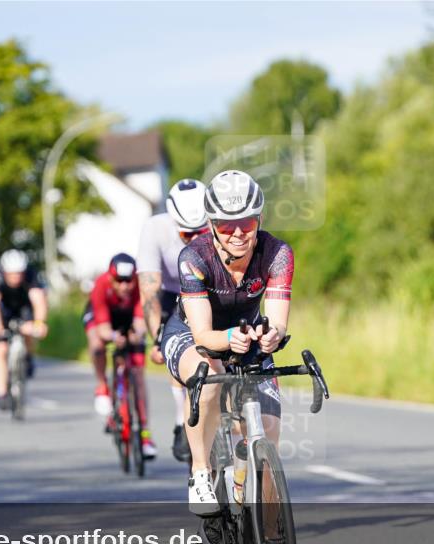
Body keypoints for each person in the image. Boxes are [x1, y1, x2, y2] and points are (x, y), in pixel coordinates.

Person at [160, 170, 293, 517]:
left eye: (247, 223)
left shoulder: (277, 253)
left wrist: (272, 334)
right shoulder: (194, 256)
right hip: (191, 332)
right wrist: (232, 339)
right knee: (207, 377)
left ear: (259, 219)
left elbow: (277, 321)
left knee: (267, 429)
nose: (237, 233)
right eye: (224, 224)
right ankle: (201, 473)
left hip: (245, 332)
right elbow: (204, 336)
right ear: (211, 224)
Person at [137, 179, 210, 462]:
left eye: (201, 232)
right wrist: (157, 338)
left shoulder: (217, 225)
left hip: (207, 287)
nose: (194, 240)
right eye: (186, 234)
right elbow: (149, 291)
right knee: (173, 344)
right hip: (170, 292)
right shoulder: (155, 229)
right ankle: (182, 420)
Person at [84, 253, 155, 459]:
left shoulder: (140, 287)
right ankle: (102, 386)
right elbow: (104, 329)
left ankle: (144, 433)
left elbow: (141, 322)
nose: (124, 286)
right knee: (97, 344)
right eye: (119, 281)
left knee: (139, 376)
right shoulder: (100, 285)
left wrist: (136, 334)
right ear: (110, 277)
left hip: (127, 318)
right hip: (104, 318)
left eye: (128, 281)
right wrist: (114, 337)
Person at [0, 249, 49, 409]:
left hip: (24, 308)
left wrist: (39, 322)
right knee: (0, 349)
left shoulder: (31, 274)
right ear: (4, 272)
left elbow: (38, 299)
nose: (16, 277)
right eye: (12, 274)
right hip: (4, 311)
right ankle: (1, 392)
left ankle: (28, 357)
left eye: (19, 273)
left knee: (29, 332)